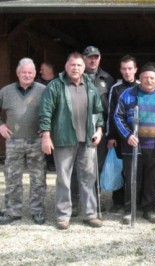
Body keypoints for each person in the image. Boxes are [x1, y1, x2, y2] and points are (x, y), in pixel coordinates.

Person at [39, 52, 104, 230]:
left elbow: (98, 112)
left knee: (88, 178)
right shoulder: (55, 86)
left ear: (84, 68)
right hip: (63, 139)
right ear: (66, 66)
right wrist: (46, 135)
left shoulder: (90, 86)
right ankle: (62, 215)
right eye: (72, 65)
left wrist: (99, 130)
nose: (76, 68)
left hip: (87, 140)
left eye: (79, 65)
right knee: (64, 179)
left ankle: (90, 214)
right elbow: (45, 112)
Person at [114, 62, 155, 224]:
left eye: (152, 78)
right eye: (146, 77)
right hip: (133, 146)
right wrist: (127, 135)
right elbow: (117, 117)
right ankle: (130, 210)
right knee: (132, 179)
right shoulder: (127, 94)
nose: (149, 80)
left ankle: (149, 209)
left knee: (152, 180)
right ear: (140, 78)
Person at [0, 58, 47, 225]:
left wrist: (47, 130)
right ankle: (13, 211)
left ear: (35, 74)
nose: (27, 75)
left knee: (38, 177)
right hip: (13, 141)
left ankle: (38, 211)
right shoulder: (6, 91)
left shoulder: (44, 90)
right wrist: (1, 125)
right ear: (18, 73)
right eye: (24, 72)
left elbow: (53, 110)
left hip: (36, 140)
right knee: (12, 177)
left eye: (30, 72)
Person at [70, 46, 115, 216]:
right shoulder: (72, 77)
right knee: (75, 167)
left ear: (100, 58)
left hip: (98, 130)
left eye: (96, 57)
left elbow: (111, 108)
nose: (93, 60)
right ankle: (74, 202)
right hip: (76, 129)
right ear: (83, 58)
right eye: (89, 57)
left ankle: (94, 201)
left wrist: (109, 133)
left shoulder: (107, 79)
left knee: (96, 167)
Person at [107, 55, 139, 214]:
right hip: (120, 137)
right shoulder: (116, 88)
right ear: (120, 70)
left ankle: (135, 201)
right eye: (124, 69)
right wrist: (111, 136)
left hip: (138, 137)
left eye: (130, 68)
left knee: (134, 170)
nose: (127, 72)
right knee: (119, 169)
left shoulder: (142, 86)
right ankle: (118, 201)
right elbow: (111, 113)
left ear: (135, 69)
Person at [36, 61, 56, 171]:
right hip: (42, 119)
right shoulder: (37, 84)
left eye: (42, 69)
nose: (40, 72)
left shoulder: (59, 83)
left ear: (49, 70)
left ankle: (53, 163)